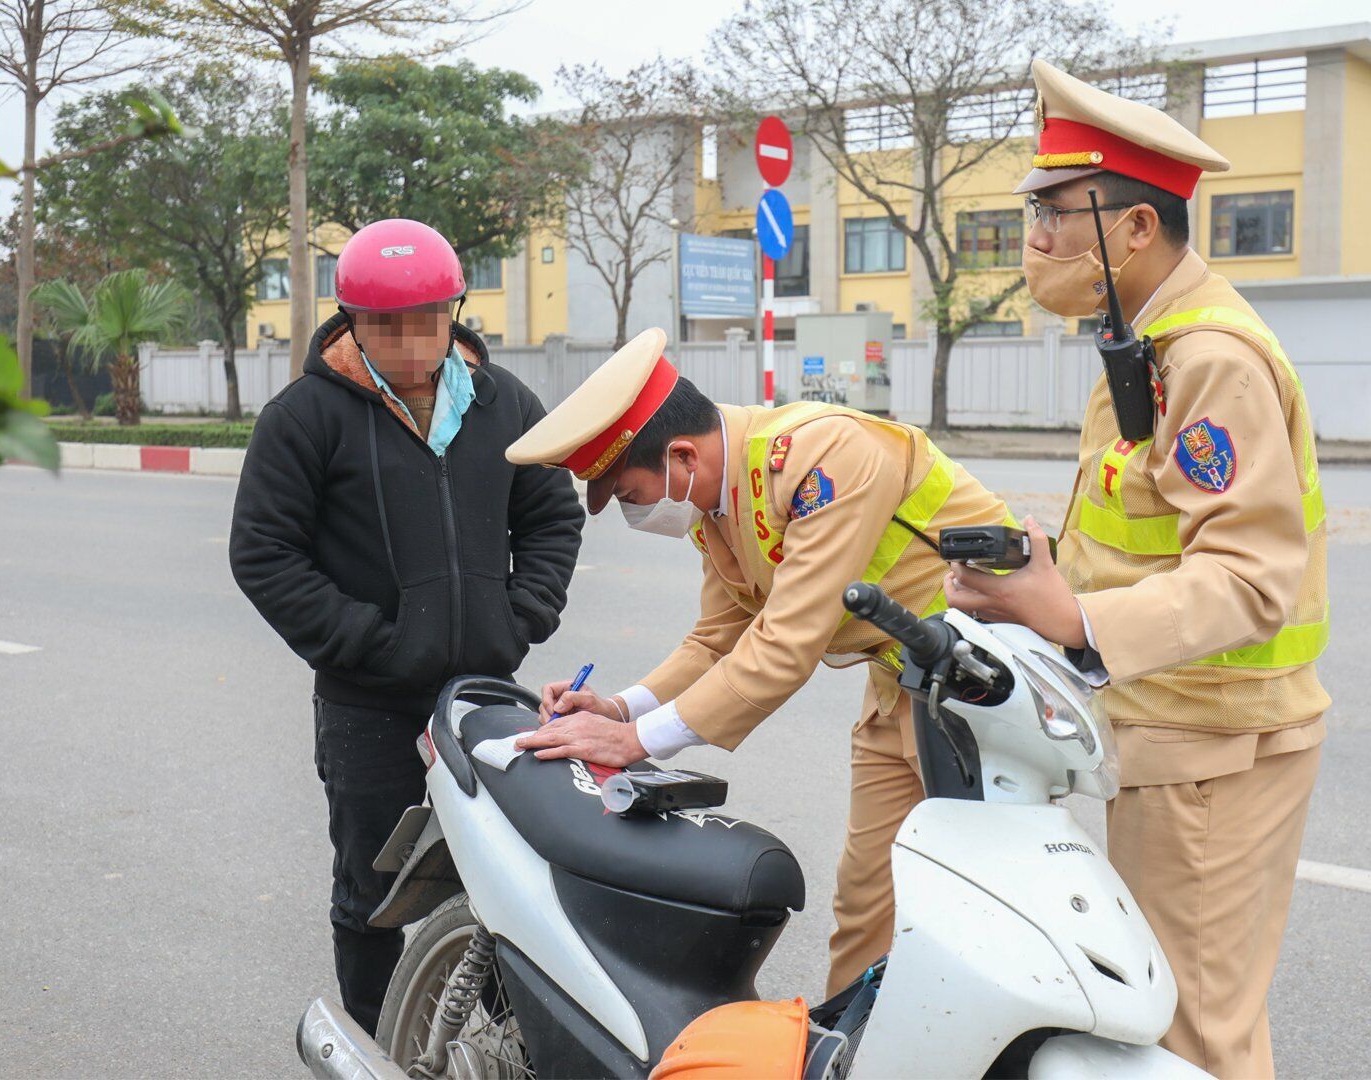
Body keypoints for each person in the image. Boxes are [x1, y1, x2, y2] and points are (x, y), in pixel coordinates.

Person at [943, 61, 1328, 1079]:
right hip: (1174, 731)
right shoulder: (1143, 341)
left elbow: (1250, 579)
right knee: (1187, 1020)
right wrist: (1044, 576)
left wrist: (1072, 617)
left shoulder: (1208, 358)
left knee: (1192, 1038)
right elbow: (1147, 532)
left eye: (1056, 210)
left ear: (1134, 228)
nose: (1037, 236)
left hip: (1214, 747)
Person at [504, 329, 1013, 996]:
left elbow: (785, 643)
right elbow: (717, 638)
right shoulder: (715, 502)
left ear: (682, 456)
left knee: (991, 914)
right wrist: (621, 707)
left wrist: (633, 741)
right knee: (867, 909)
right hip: (902, 690)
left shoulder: (825, 456)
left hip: (989, 693)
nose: (630, 513)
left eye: (628, 493)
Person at [229, 218, 584, 1035]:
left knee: (505, 886)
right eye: (384, 322)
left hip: (484, 697)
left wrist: (517, 616)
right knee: (372, 894)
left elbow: (551, 522)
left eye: (426, 316)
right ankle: (371, 1046)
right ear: (351, 318)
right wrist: (371, 644)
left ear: (452, 310)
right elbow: (265, 555)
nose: (408, 338)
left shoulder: (502, 404)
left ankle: (496, 1046)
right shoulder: (305, 417)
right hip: (368, 704)